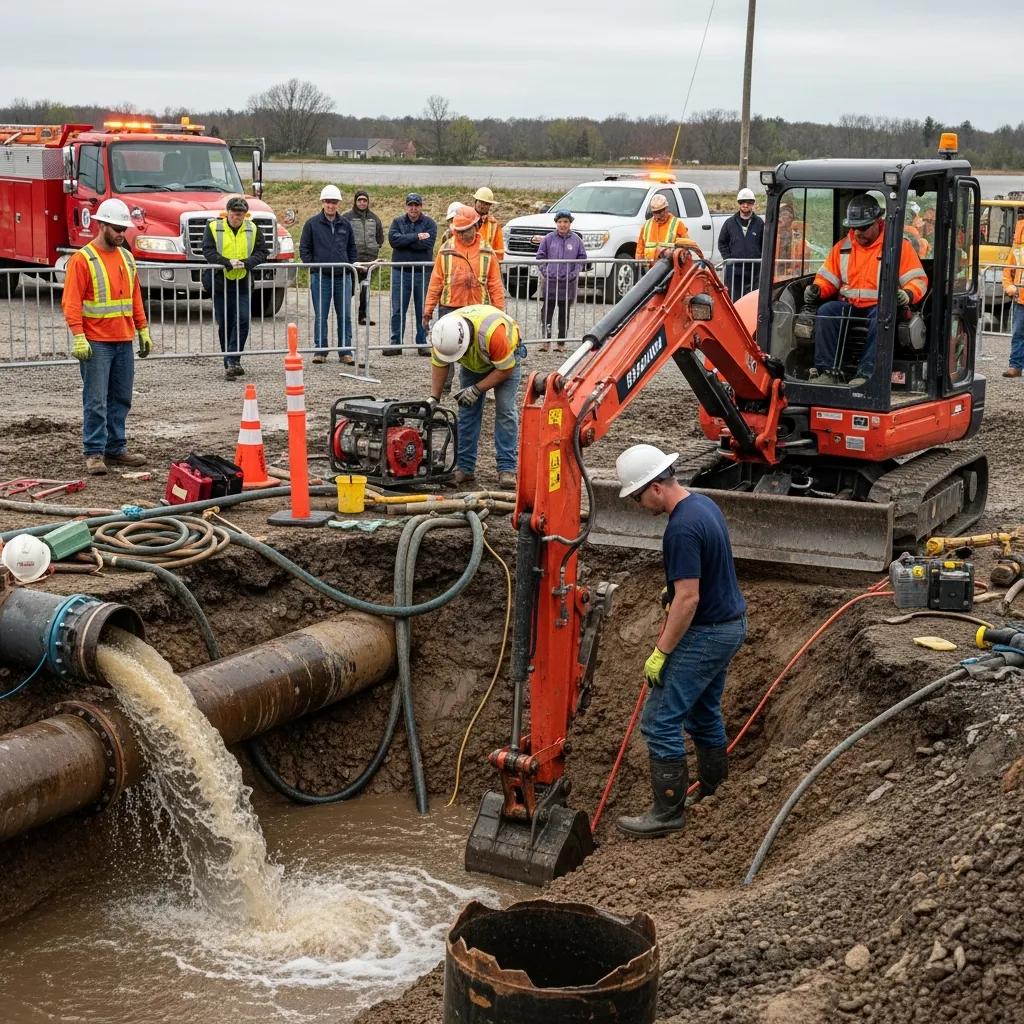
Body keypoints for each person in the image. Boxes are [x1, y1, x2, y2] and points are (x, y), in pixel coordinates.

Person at [613, 444, 747, 839]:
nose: (639, 505)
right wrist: (674, 594)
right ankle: (713, 792)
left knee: (659, 720)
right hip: (729, 624)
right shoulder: (703, 506)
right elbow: (696, 581)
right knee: (703, 712)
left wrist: (661, 652)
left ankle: (667, 812)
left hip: (707, 632)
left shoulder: (681, 529)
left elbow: (689, 599)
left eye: (637, 497)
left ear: (655, 488)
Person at [62, 198, 152, 475]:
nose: (122, 234)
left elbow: (135, 297)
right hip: (96, 342)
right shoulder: (83, 260)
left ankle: (115, 448)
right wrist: (78, 335)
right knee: (96, 400)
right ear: (101, 226)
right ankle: (94, 452)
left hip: (123, 340)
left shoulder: (126, 257)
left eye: (124, 229)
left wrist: (143, 328)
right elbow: (71, 302)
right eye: (116, 229)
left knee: (121, 398)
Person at [804, 194, 927, 388]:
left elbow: (917, 280)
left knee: (882, 315)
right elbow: (828, 278)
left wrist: (908, 293)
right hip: (850, 306)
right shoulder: (842, 248)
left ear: (878, 222)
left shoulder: (897, 247)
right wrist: (817, 289)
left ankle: (867, 373)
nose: (858, 232)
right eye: (854, 227)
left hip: (879, 307)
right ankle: (827, 372)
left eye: (863, 227)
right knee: (827, 311)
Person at [427, 306, 524, 488]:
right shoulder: (442, 335)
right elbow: (440, 365)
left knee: (505, 411)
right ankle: (465, 468)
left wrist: (477, 389)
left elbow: (505, 369)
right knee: (467, 412)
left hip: (505, 361)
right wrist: (434, 397)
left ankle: (506, 468)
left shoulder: (494, 334)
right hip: (474, 364)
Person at [202, 195, 269, 380]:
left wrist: (248, 263)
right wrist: (226, 262)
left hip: (243, 282)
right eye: (234, 213)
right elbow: (207, 250)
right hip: (220, 281)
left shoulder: (252, 228)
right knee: (225, 323)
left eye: (240, 214)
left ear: (245, 215)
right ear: (228, 213)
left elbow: (263, 252)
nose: (236, 217)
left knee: (243, 320)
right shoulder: (214, 227)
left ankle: (233, 360)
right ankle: (230, 361)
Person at [299, 184, 357, 365]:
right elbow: (304, 248)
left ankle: (345, 351)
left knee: (345, 315)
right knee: (321, 315)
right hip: (321, 277)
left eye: (334, 202)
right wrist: (314, 267)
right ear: (323, 203)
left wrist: (350, 267)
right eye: (328, 202)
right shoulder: (312, 224)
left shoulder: (345, 224)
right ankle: (320, 351)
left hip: (342, 277)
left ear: (338, 203)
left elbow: (352, 248)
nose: (331, 206)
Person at [423, 205, 504, 331]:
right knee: (450, 348)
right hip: (449, 309)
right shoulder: (446, 249)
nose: (460, 234)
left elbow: (495, 285)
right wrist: (428, 311)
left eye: (464, 230)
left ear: (475, 226)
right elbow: (436, 282)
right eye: (458, 231)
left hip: (478, 310)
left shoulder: (486, 251)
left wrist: (499, 313)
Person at [386, 193, 437, 356]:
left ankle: (422, 343)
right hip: (400, 272)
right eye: (410, 205)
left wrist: (405, 241)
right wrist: (416, 237)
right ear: (406, 206)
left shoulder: (430, 224)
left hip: (422, 273)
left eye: (416, 205)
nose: (413, 208)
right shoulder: (397, 222)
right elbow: (394, 241)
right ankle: (396, 343)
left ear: (421, 206)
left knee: (423, 310)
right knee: (397, 309)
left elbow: (427, 244)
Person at [533, 210, 585, 350]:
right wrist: (546, 272)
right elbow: (540, 257)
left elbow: (582, 259)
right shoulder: (549, 238)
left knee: (564, 313)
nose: (562, 225)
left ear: (570, 223)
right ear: (556, 223)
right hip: (550, 283)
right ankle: (546, 341)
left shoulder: (576, 240)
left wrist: (574, 273)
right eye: (560, 222)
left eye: (565, 222)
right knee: (547, 313)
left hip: (568, 284)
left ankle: (561, 343)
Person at [342, 189, 384, 326]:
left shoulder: (375, 218)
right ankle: (343, 315)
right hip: (354, 261)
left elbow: (380, 238)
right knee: (350, 290)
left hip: (370, 261)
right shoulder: (346, 217)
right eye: (359, 200)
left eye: (364, 200)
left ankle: (363, 317)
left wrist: (374, 251)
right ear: (355, 201)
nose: (362, 202)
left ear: (368, 202)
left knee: (365, 291)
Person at [717, 187, 764, 300]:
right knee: (734, 300)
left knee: (753, 300)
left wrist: (760, 260)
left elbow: (764, 244)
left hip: (755, 271)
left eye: (749, 202)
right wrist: (729, 259)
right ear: (739, 204)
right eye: (742, 202)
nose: (745, 205)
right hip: (734, 271)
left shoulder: (759, 223)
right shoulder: (729, 223)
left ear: (753, 204)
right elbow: (722, 242)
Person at [635, 195, 700, 263]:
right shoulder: (646, 226)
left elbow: (686, 247)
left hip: (670, 269)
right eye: (656, 212)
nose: (659, 215)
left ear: (666, 208)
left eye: (661, 211)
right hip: (649, 269)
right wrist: (639, 266)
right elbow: (640, 250)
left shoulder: (677, 224)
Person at [1002, 237, 1024, 378]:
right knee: (1018, 334)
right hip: (1020, 299)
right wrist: (1009, 287)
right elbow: (1007, 272)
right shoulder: (1017, 248)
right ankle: (1015, 366)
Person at [473, 186, 505, 262]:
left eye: (486, 203)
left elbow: (500, 251)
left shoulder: (494, 224)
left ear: (490, 205)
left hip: (486, 265)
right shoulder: (465, 219)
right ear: (475, 201)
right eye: (481, 202)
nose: (482, 206)